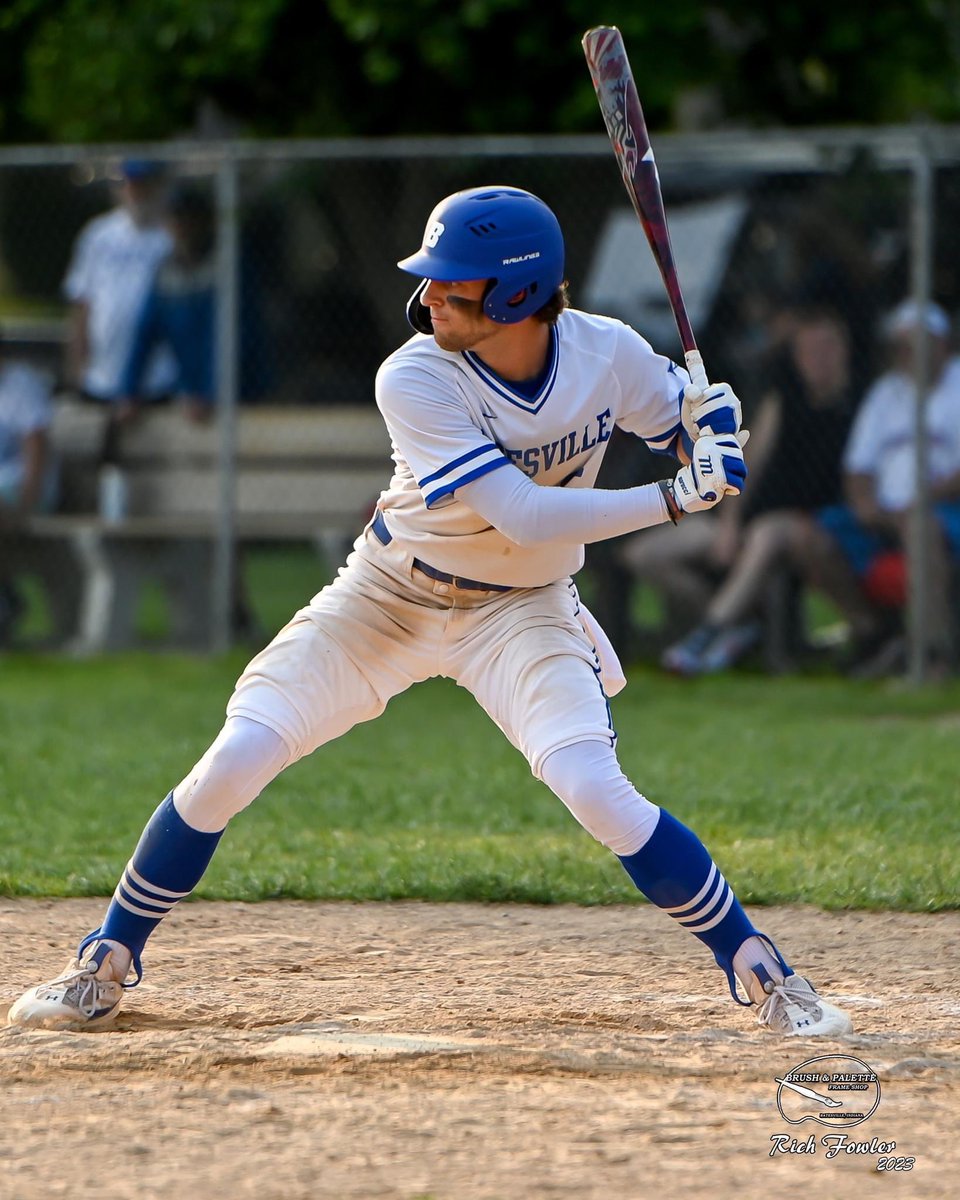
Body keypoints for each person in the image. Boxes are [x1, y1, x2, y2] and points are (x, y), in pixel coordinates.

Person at [7, 186, 851, 1038]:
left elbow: (682, 423)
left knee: (595, 787)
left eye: (457, 284)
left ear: (518, 295)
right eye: (434, 280)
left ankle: (763, 970)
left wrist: (708, 427)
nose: (432, 297)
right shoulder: (415, 374)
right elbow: (519, 512)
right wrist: (674, 496)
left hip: (523, 611)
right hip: (385, 598)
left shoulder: (608, 353)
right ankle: (105, 960)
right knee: (232, 761)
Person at [632, 304, 861, 675]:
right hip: (752, 519)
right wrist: (728, 525)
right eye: (808, 351)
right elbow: (746, 465)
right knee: (645, 554)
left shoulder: (858, 406)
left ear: (843, 351)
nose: (816, 360)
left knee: (767, 535)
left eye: (825, 349)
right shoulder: (784, 403)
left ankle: (708, 635)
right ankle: (736, 628)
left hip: (815, 524)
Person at [794, 299, 960, 676]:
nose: (905, 354)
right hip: (887, 513)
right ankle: (874, 634)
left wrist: (924, 500)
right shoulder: (886, 392)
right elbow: (858, 467)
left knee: (921, 526)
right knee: (809, 536)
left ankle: (931, 656)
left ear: (940, 344)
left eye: (914, 344)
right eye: (900, 346)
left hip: (945, 511)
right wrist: (866, 506)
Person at [117, 182, 271, 423]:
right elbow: (143, 335)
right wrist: (129, 392)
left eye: (189, 218)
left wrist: (211, 393)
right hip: (191, 393)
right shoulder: (166, 271)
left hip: (243, 394)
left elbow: (231, 335)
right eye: (176, 218)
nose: (182, 227)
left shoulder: (230, 266)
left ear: (205, 222)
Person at [62, 159, 177, 410]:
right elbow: (82, 303)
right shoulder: (99, 235)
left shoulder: (170, 238)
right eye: (129, 184)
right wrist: (77, 368)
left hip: (158, 380)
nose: (136, 192)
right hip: (102, 378)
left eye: (143, 185)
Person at [0, 327, 55, 644]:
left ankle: (5, 598)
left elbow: (35, 448)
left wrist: (26, 505)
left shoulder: (21, 386)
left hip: (25, 487)